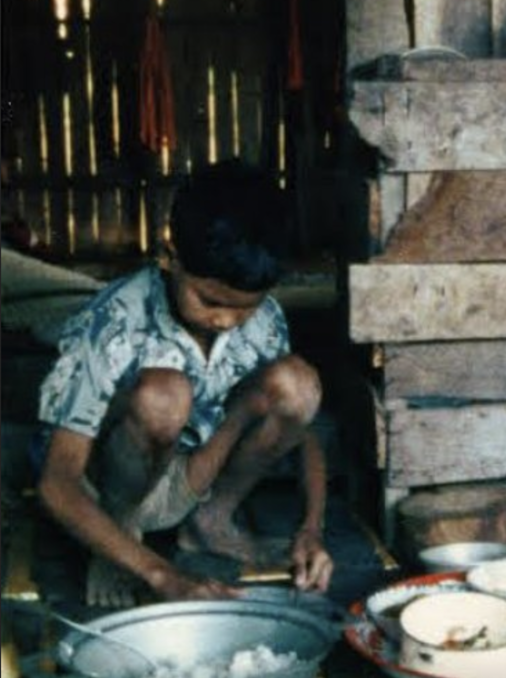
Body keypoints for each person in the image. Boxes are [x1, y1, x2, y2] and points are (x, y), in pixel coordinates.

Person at [35, 160, 334, 607]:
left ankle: (211, 522)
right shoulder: (113, 320)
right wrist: (160, 574)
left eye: (244, 308)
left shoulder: (265, 318)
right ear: (168, 253)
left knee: (298, 384)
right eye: (209, 300)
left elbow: (302, 429)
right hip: (107, 484)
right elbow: (56, 483)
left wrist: (311, 528)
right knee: (164, 395)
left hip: (191, 478)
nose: (225, 320)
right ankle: (117, 538)